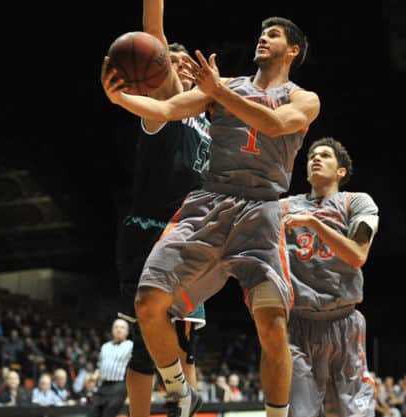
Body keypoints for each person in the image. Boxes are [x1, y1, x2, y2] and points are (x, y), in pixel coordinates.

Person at [102, 13, 320, 417]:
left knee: (273, 326)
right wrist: (120, 99)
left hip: (261, 209)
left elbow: (274, 125)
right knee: (148, 303)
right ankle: (179, 392)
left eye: (272, 34)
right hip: (210, 203)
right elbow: (167, 108)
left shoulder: (302, 97)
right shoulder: (224, 87)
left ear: (293, 50)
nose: (262, 38)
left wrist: (218, 91)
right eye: (260, 31)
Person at [112, 1, 212, 416]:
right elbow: (153, 34)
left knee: (187, 345)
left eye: (186, 62)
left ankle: (183, 410)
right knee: (144, 346)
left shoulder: (211, 124)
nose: (181, 67)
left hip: (191, 240)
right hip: (150, 232)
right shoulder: (162, 107)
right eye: (171, 62)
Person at [281, 138, 378, 417]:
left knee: (356, 412)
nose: (316, 159)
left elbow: (357, 255)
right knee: (299, 412)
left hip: (344, 320)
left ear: (341, 171)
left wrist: (314, 223)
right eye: (312, 155)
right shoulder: (286, 207)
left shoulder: (356, 202)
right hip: (299, 323)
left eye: (325, 155)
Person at [88, 318, 133, 417]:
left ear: (127, 332)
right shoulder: (105, 346)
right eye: (116, 327)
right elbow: (100, 366)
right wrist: (92, 379)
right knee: (92, 412)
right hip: (103, 385)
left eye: (122, 327)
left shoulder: (131, 346)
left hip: (119, 385)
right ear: (112, 330)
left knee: (108, 413)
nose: (118, 330)